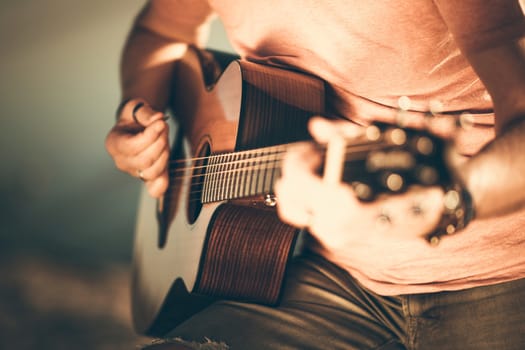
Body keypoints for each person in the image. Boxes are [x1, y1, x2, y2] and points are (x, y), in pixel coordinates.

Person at [105, 0, 525, 349]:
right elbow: (159, 32)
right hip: (335, 274)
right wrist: (137, 112)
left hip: (500, 279)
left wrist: (446, 199)